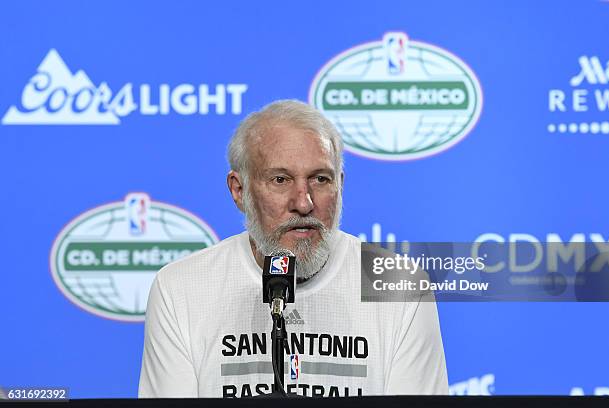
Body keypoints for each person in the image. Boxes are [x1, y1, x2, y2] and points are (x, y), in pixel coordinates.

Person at [138, 100, 448, 398]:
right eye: (280, 179)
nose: (303, 202)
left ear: (340, 184)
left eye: (320, 179)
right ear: (239, 190)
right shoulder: (181, 288)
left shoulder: (396, 285)